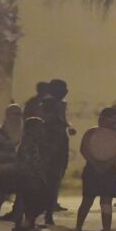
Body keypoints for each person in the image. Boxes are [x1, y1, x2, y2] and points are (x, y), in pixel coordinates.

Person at [73, 107, 116, 231]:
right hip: (97, 169)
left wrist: (103, 164)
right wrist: (98, 164)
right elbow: (84, 149)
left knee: (104, 203)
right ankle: (79, 230)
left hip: (103, 170)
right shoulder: (92, 132)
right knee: (89, 201)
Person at [12, 117, 53, 231]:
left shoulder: (33, 143)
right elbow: (32, 163)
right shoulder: (28, 144)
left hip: (31, 178)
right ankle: (28, 229)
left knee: (33, 206)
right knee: (38, 203)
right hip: (30, 178)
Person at [0, 104, 25, 231]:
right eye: (14, 114)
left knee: (21, 198)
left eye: (19, 114)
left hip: (18, 170)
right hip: (3, 170)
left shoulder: (23, 131)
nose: (17, 117)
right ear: (8, 115)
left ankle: (18, 227)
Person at [42, 79, 74, 220]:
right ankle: (47, 211)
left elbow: (64, 120)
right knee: (50, 179)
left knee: (56, 177)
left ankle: (50, 208)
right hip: (50, 145)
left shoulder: (61, 104)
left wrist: (69, 126)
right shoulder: (48, 103)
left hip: (60, 143)